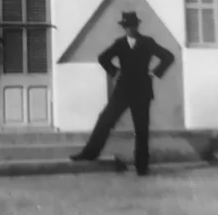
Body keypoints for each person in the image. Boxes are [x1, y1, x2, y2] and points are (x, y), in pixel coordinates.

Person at [70, 11, 175, 176]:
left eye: (132, 26)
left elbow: (168, 56)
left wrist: (154, 72)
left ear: (137, 26)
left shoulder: (147, 42)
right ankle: (89, 154)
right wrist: (115, 72)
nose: (130, 29)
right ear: (123, 28)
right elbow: (103, 58)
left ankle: (141, 166)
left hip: (142, 91)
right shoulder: (119, 43)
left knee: (141, 129)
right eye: (127, 26)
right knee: (105, 120)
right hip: (123, 90)